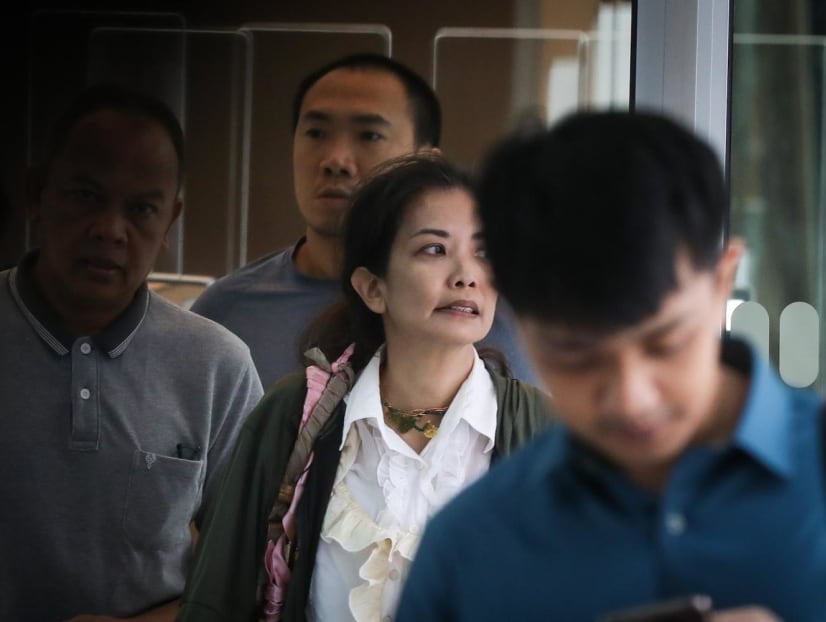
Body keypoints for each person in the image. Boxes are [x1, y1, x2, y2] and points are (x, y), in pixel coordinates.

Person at [397, 111, 826, 622]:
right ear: (521, 323)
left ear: (721, 281)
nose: (631, 397)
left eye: (665, 343)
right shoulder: (468, 547)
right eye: (576, 357)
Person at [176, 154, 554, 622]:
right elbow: (217, 600)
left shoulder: (549, 434)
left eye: (484, 252)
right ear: (373, 288)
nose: (466, 274)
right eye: (434, 249)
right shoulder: (292, 416)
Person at [0, 84, 264, 621]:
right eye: (86, 196)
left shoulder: (218, 366)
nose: (110, 230)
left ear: (171, 219)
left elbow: (252, 570)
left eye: (142, 208)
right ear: (36, 192)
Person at [190, 52, 539, 388]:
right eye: (316, 133)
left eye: (369, 135)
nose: (335, 160)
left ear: (425, 163)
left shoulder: (494, 312)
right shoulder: (226, 313)